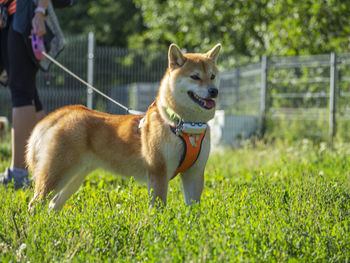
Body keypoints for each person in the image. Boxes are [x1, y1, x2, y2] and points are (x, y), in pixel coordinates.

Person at [0, 0, 50, 188]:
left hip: (24, 13)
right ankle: (48, 163)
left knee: (21, 91)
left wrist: (40, 12)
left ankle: (19, 173)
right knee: (27, 91)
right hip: (9, 15)